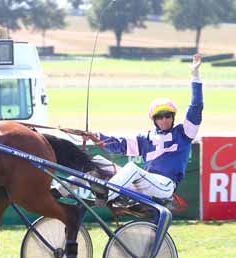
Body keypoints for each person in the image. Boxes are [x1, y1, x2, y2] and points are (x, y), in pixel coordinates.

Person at [83, 54, 203, 204]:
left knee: (132, 168)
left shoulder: (184, 133)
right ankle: (58, 191)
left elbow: (196, 107)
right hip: (142, 184)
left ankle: (105, 196)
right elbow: (118, 145)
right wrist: (96, 136)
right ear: (154, 119)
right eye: (160, 116)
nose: (164, 119)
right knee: (94, 161)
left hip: (164, 186)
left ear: (173, 117)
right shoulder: (145, 139)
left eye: (168, 115)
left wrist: (195, 75)